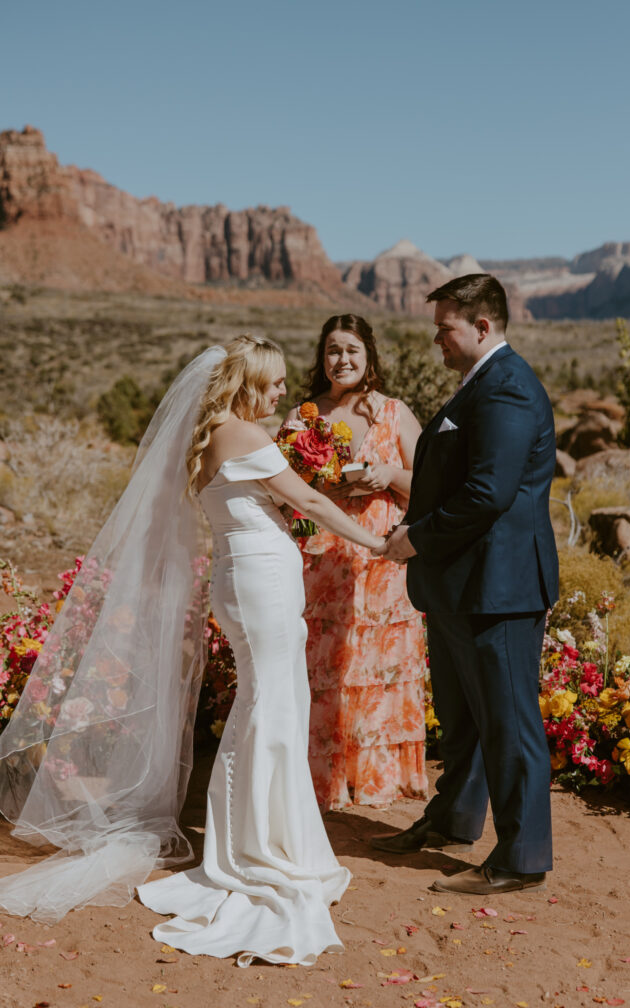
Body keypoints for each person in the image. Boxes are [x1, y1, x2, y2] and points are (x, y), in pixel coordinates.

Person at [0, 336, 384, 965]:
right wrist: (377, 542)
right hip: (260, 581)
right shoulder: (245, 437)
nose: (285, 392)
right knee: (271, 708)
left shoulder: (211, 439)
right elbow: (310, 500)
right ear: (246, 386)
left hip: (242, 579)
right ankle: (256, 848)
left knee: (265, 705)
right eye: (275, 383)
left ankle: (258, 837)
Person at [374, 275, 559, 896]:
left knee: (507, 721)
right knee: (464, 720)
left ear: (483, 327)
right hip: (466, 585)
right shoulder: (480, 385)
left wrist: (416, 537)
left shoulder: (506, 389)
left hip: (499, 588)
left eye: (445, 328)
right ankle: (452, 821)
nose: (436, 340)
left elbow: (489, 492)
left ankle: (520, 860)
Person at [283, 314, 428, 811]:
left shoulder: (393, 413)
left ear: (368, 356)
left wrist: (387, 473)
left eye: (351, 350)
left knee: (377, 667)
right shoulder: (303, 418)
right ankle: (320, 779)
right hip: (320, 563)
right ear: (321, 358)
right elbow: (281, 492)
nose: (341, 360)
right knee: (323, 668)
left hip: (382, 561)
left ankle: (374, 778)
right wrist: (324, 485)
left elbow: (432, 484)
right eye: (332, 351)